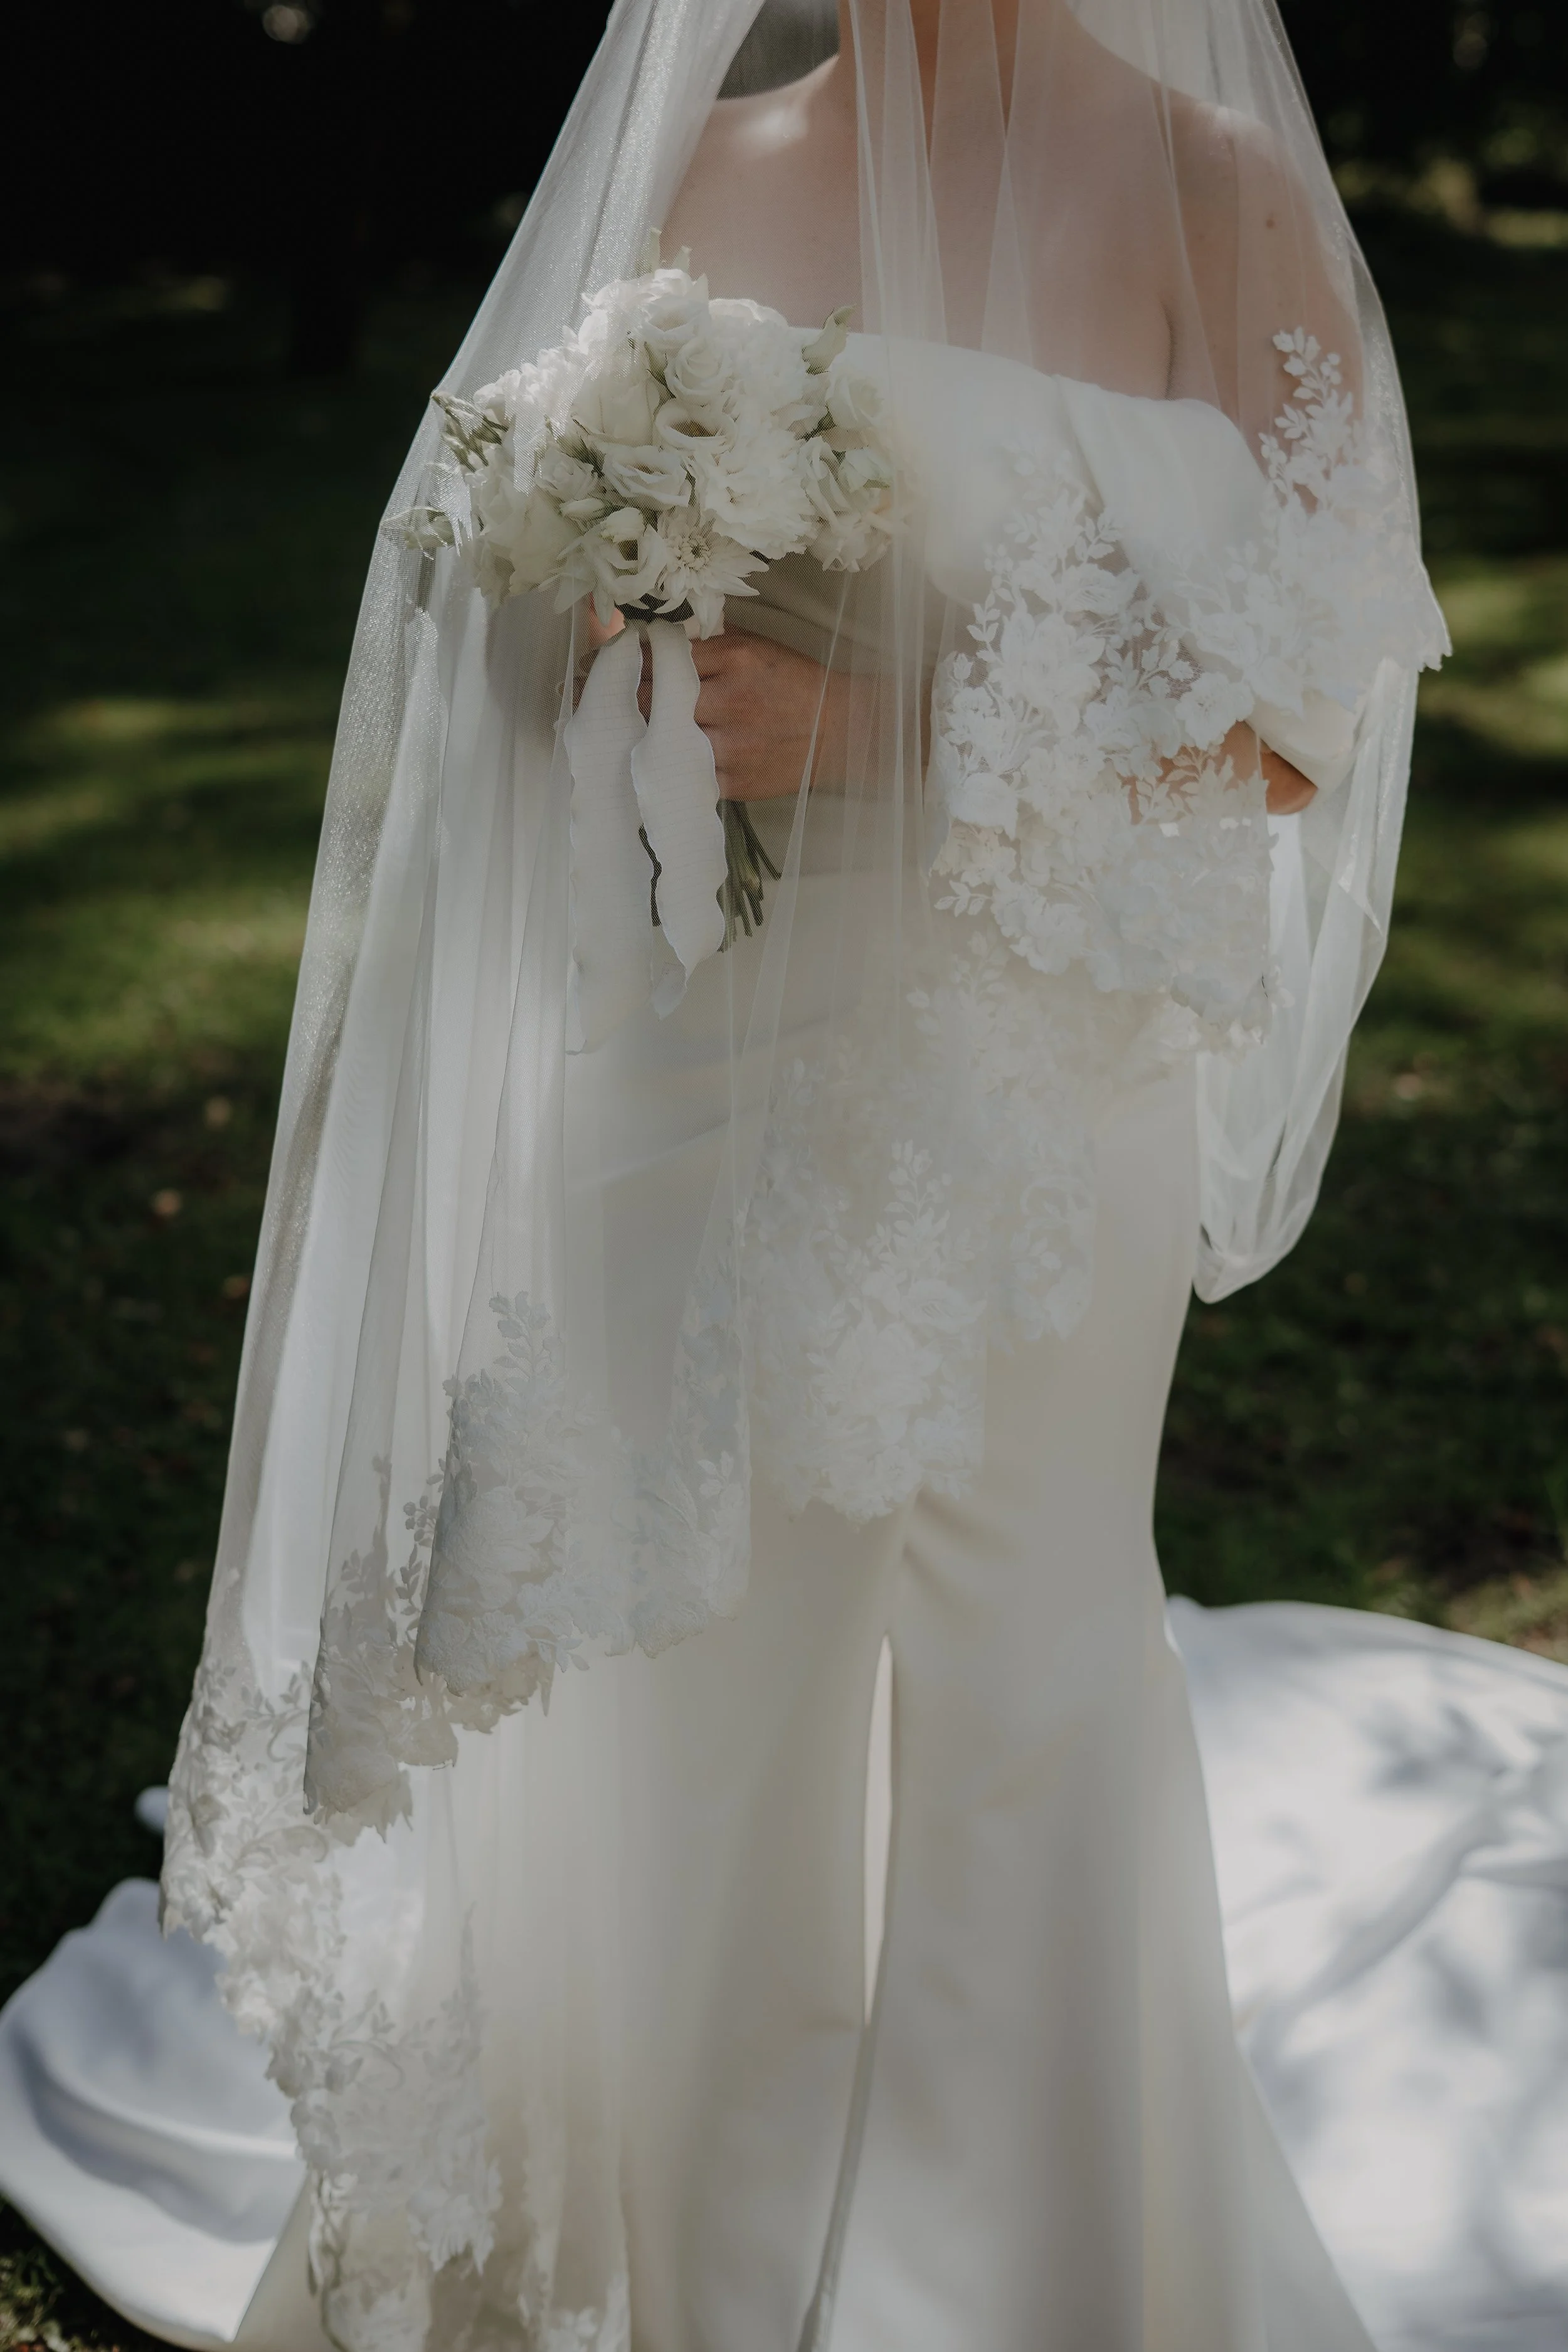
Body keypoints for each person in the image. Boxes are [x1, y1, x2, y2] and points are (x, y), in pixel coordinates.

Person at [11, 0, 1466, 2344]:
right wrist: (628, 668)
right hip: (708, 1055)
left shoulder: (1226, 196)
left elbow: (1300, 721)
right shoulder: (699, 173)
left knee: (1020, 1657)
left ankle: (1012, 2283)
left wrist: (879, 731)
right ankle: (674, 2259)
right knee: (698, 1676)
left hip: (1034, 1087)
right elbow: (543, 628)